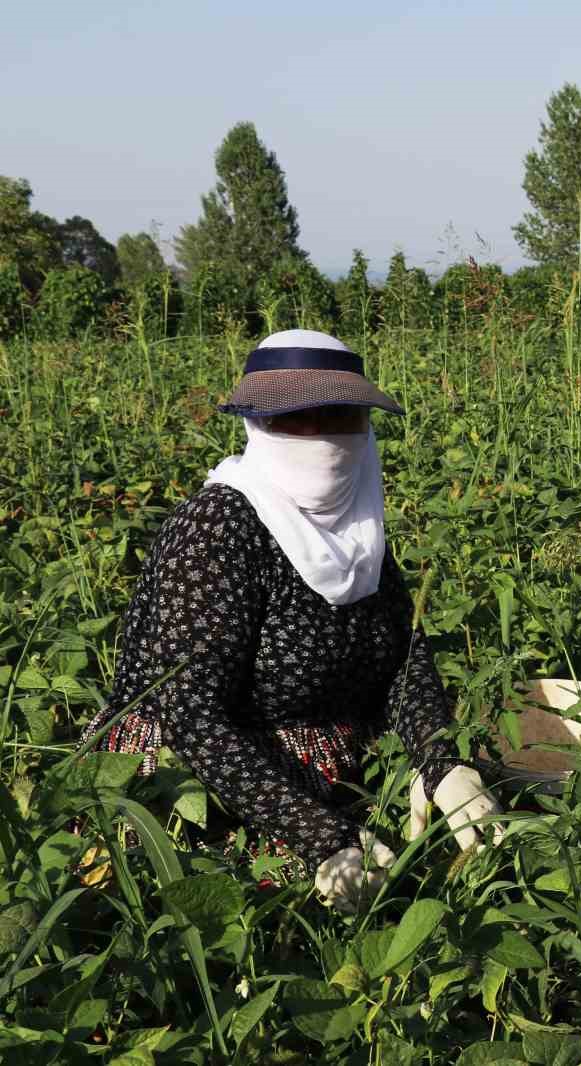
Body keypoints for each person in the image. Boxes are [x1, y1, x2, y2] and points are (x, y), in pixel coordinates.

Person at [80, 329, 501, 911]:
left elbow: (403, 664)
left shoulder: (360, 529)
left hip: (336, 756)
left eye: (339, 418)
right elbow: (191, 714)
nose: (321, 436)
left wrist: (440, 763)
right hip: (203, 780)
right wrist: (321, 838)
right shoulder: (218, 529)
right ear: (258, 425)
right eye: (296, 419)